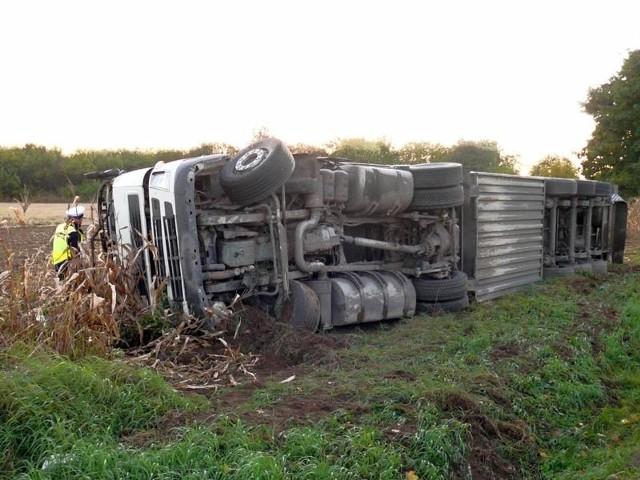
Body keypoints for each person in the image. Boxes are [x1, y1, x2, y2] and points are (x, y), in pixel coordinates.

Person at [52, 205, 85, 280]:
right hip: (67, 263)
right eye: (81, 218)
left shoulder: (60, 226)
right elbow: (76, 251)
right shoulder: (74, 232)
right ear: (76, 218)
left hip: (57, 260)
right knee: (70, 285)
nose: (82, 220)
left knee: (61, 284)